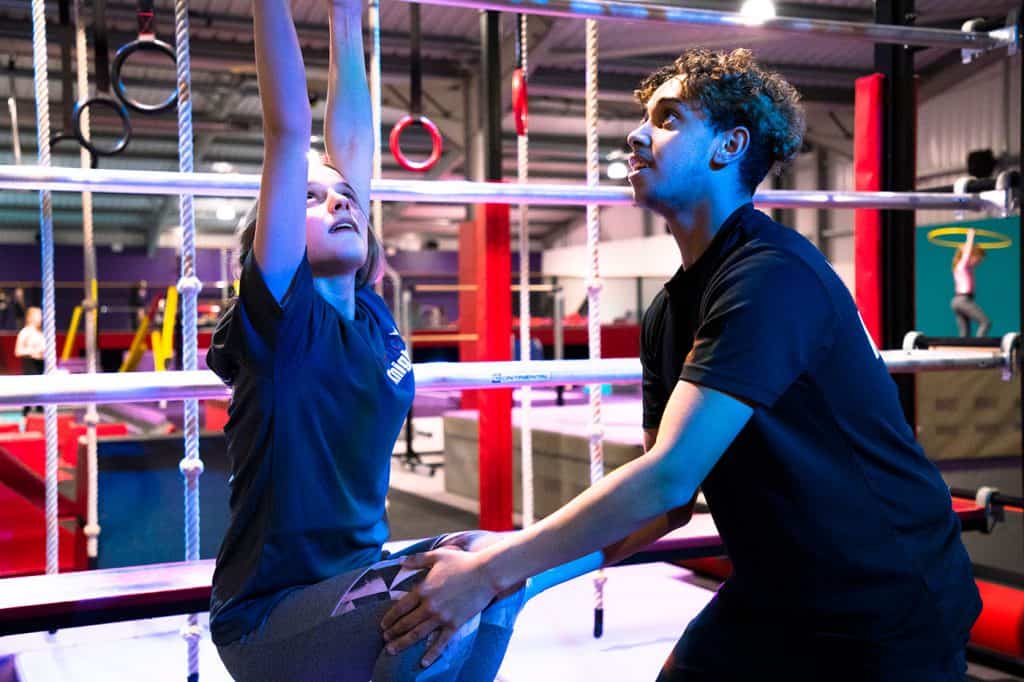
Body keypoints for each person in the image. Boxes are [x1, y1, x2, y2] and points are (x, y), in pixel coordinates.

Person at [381, 49, 981, 681]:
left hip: (882, 604)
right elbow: (663, 507)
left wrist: (491, 570)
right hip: (774, 593)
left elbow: (669, 477)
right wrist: (514, 575)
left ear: (729, 145)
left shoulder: (770, 276)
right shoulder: (668, 312)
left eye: (667, 119)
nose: (637, 134)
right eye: (644, 117)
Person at [204, 1, 523, 679]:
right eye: (312, 200)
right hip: (270, 616)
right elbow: (289, 135)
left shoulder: (372, 315)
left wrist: (347, 21)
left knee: (492, 563)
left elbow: (353, 159)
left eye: (345, 196)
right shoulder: (284, 324)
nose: (340, 201)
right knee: (431, 602)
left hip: (353, 584)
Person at [951, 228, 990, 337]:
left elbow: (967, 253)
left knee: (964, 333)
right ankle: (980, 345)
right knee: (985, 322)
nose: (979, 261)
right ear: (972, 256)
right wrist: (970, 236)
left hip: (959, 301)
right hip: (962, 300)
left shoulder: (965, 268)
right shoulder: (963, 265)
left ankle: (963, 351)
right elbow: (967, 253)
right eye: (978, 259)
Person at [15, 306, 45, 415]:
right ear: (31, 317)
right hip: (31, 365)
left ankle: (40, 418)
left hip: (41, 365)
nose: (41, 318)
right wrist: (32, 351)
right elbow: (18, 351)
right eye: (39, 315)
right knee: (29, 394)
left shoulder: (41, 333)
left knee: (41, 396)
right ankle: (26, 418)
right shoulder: (25, 332)